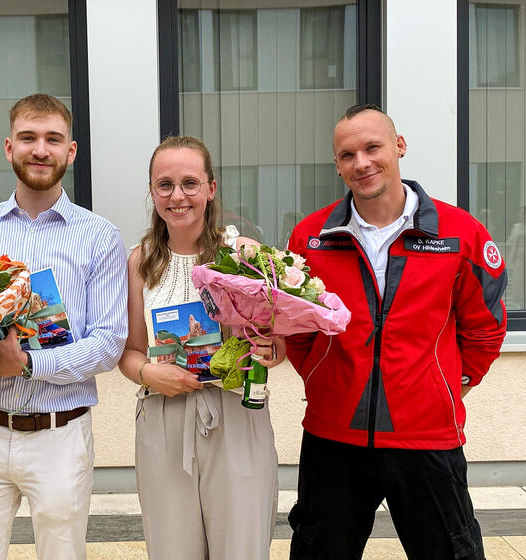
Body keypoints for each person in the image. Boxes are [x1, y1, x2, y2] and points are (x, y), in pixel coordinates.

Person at [285, 104, 507, 560]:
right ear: (337, 165)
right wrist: (320, 378)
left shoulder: (458, 234)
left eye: (372, 147)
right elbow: (299, 329)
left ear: (399, 146)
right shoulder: (311, 238)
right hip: (333, 438)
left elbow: (485, 329)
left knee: (451, 552)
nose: (361, 163)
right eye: (347, 155)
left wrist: (450, 385)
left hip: (427, 438)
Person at [0, 93, 127, 560]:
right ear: (8, 147)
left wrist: (27, 363)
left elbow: (109, 343)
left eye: (53, 139)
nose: (40, 149)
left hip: (60, 434)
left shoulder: (100, 236)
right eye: (28, 138)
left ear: (71, 151)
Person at [118, 135, 283, 560]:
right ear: (152, 191)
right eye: (165, 185)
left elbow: (276, 344)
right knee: (173, 550)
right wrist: (147, 373)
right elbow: (132, 351)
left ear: (211, 188)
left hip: (235, 413)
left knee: (241, 548)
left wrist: (269, 350)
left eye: (190, 183)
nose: (178, 196)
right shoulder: (140, 260)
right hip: (163, 416)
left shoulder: (244, 254)